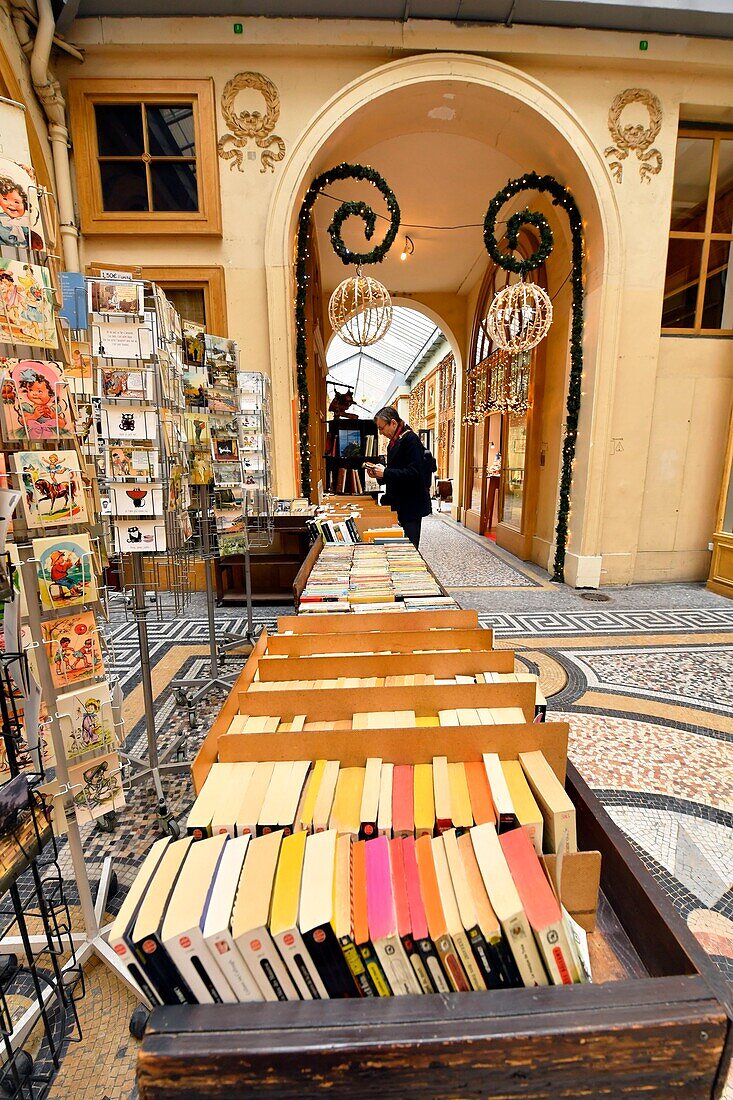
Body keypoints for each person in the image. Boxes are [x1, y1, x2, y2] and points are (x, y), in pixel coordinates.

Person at [366, 405, 432, 548]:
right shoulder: (395, 441)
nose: (381, 432)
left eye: (382, 428)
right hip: (399, 503)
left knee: (409, 548)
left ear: (393, 423)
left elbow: (414, 473)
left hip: (410, 505)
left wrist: (386, 472)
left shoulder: (410, 440)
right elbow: (396, 471)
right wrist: (379, 475)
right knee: (399, 545)